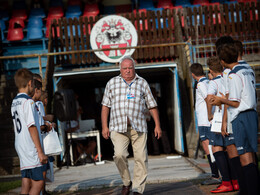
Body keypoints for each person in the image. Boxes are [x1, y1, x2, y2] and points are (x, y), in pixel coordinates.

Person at [101, 56, 162, 195]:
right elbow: (105, 106)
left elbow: (152, 106)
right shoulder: (112, 83)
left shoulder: (142, 83)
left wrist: (157, 125)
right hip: (117, 127)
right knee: (119, 155)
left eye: (130, 68)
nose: (128, 71)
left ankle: (137, 189)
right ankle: (127, 182)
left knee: (141, 158)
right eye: (125, 68)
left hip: (139, 127)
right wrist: (104, 126)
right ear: (120, 69)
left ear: (134, 68)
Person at [211, 43, 259, 195]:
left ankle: (250, 191)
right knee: (250, 154)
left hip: (240, 116)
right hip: (252, 114)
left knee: (244, 156)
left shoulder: (233, 75)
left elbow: (235, 102)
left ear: (223, 61)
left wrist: (220, 101)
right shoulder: (248, 69)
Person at [11, 68, 48, 195]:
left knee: (26, 180)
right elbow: (31, 127)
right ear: (30, 83)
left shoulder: (14, 102)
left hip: (20, 144)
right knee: (39, 182)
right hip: (29, 145)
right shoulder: (28, 102)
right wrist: (40, 151)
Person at [206, 56, 239, 193]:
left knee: (216, 148)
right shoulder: (227, 77)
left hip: (219, 117)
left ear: (210, 70)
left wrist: (209, 114)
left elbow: (209, 98)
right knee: (230, 149)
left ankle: (226, 181)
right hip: (232, 114)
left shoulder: (213, 82)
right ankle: (236, 180)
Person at [190, 63, 221, 186]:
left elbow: (208, 99)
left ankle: (215, 175)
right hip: (206, 120)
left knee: (208, 146)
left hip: (205, 120)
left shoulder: (201, 84)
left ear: (193, 74)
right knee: (210, 146)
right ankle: (217, 174)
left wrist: (209, 114)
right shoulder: (207, 82)